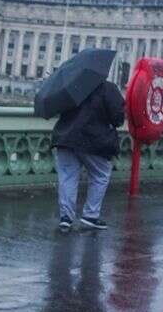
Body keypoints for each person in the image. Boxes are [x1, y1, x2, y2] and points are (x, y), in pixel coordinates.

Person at [53, 78, 125, 231]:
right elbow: (118, 118)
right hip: (94, 140)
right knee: (100, 175)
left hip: (65, 137)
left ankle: (66, 217)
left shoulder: (71, 85)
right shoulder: (108, 88)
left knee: (67, 177)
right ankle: (90, 215)